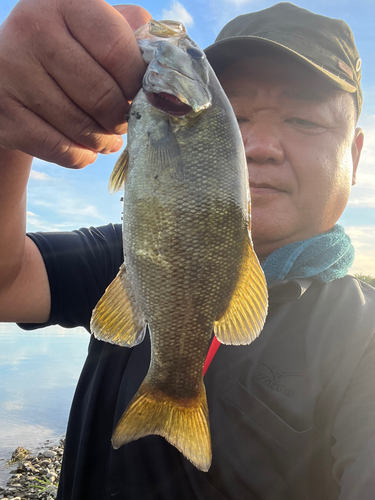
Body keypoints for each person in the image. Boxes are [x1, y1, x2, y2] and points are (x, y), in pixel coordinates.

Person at [0, 1, 374, 499]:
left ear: (352, 153)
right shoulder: (132, 253)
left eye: (303, 121)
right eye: (234, 115)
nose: (258, 146)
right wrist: (9, 130)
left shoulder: (361, 339)